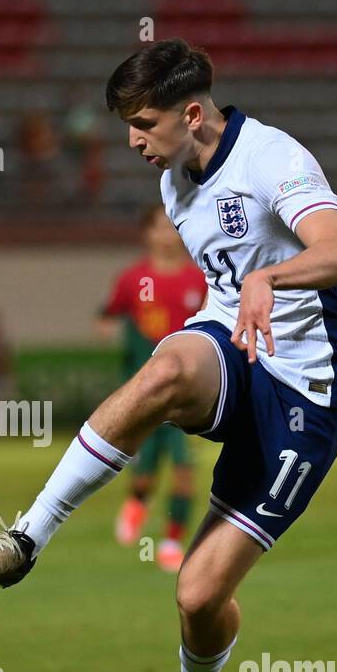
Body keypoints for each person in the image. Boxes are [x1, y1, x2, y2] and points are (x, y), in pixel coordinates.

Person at [0, 39, 337, 672]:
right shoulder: (175, 182)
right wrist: (232, 308)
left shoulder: (274, 158)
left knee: (200, 597)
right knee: (164, 367)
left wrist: (274, 275)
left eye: (143, 124)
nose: (133, 141)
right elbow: (226, 283)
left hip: (306, 388)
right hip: (234, 348)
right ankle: (28, 539)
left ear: (193, 112)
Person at [99, 204, 207, 571]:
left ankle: (173, 541)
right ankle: (137, 500)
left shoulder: (199, 280)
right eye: (159, 228)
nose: (167, 235)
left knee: (183, 469)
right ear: (147, 234)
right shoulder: (132, 280)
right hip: (145, 392)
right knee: (145, 469)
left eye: (173, 227)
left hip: (187, 394)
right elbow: (107, 315)